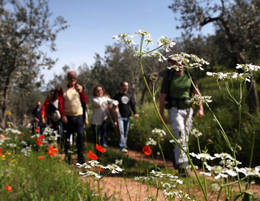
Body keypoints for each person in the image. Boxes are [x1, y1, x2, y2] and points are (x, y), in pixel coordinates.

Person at [159, 56, 204, 176]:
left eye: (176, 61)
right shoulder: (168, 77)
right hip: (174, 110)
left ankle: (175, 155)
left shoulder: (189, 75)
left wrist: (201, 108)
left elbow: (196, 92)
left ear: (183, 63)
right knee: (180, 135)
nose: (174, 64)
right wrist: (162, 114)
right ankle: (183, 166)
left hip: (188, 110)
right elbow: (163, 96)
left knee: (186, 137)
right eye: (172, 62)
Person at [58, 71, 87, 164]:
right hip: (68, 117)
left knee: (80, 136)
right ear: (67, 78)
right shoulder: (62, 89)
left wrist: (80, 91)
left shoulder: (80, 88)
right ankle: (68, 156)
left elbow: (84, 101)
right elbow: (60, 103)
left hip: (78, 116)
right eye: (71, 77)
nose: (73, 79)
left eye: (74, 77)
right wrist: (63, 115)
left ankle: (80, 156)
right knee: (67, 137)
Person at [113, 81, 139, 153]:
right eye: (124, 86)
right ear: (121, 86)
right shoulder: (117, 96)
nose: (126, 87)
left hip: (127, 116)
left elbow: (132, 105)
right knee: (121, 131)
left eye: (127, 86)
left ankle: (125, 145)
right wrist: (114, 118)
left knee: (125, 132)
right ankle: (122, 147)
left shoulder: (129, 96)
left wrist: (135, 113)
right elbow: (113, 106)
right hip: (119, 117)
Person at [91, 85, 115, 156]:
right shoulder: (94, 99)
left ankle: (101, 155)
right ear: (95, 92)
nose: (99, 92)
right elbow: (98, 104)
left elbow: (115, 102)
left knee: (102, 139)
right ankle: (97, 154)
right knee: (97, 139)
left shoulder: (105, 98)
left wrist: (111, 104)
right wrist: (106, 99)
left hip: (104, 121)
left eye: (100, 90)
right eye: (97, 90)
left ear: (103, 91)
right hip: (96, 123)